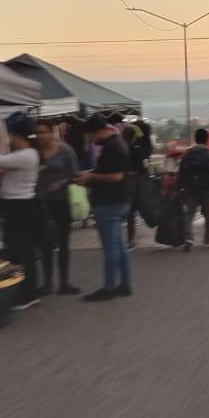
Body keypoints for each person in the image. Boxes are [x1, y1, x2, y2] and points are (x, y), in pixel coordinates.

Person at [0, 114, 43, 309]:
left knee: (20, 250)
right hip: (20, 205)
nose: (8, 139)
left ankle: (25, 294)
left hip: (19, 206)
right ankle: (27, 291)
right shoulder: (29, 154)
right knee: (22, 249)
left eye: (10, 135)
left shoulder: (26, 155)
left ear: (17, 136)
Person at [75, 114, 132, 301]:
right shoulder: (119, 142)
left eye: (91, 136)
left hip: (109, 201)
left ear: (98, 131)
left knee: (110, 247)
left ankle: (109, 287)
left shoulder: (111, 147)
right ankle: (124, 283)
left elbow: (115, 176)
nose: (91, 141)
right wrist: (91, 173)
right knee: (120, 245)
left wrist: (91, 177)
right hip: (121, 199)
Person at [35, 120, 80, 295]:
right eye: (37, 132)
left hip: (61, 201)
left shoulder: (65, 151)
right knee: (45, 243)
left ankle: (64, 282)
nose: (40, 136)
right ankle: (47, 282)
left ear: (51, 132)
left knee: (63, 242)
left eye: (43, 132)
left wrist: (60, 184)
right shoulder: (34, 152)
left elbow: (74, 174)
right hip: (41, 202)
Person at [177, 129, 209, 250]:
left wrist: (179, 188)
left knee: (189, 214)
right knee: (208, 214)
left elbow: (180, 172)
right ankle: (207, 241)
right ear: (207, 140)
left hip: (189, 188)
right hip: (207, 189)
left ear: (195, 139)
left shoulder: (187, 154)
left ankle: (188, 238)